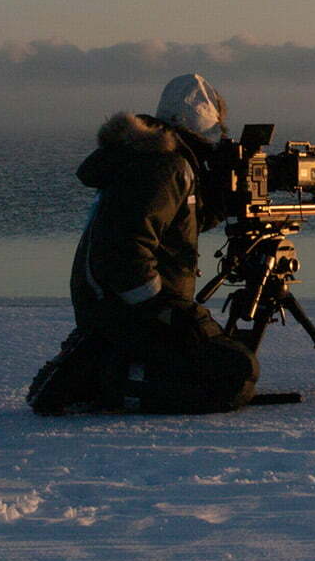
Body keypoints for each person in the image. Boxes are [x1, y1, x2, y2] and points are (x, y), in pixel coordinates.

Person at [26, 73, 258, 414]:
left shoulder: (154, 160)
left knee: (226, 362)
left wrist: (222, 205)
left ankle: (106, 361)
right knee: (235, 372)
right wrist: (168, 311)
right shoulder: (166, 167)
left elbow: (169, 226)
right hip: (130, 310)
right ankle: (105, 379)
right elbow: (124, 249)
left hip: (115, 305)